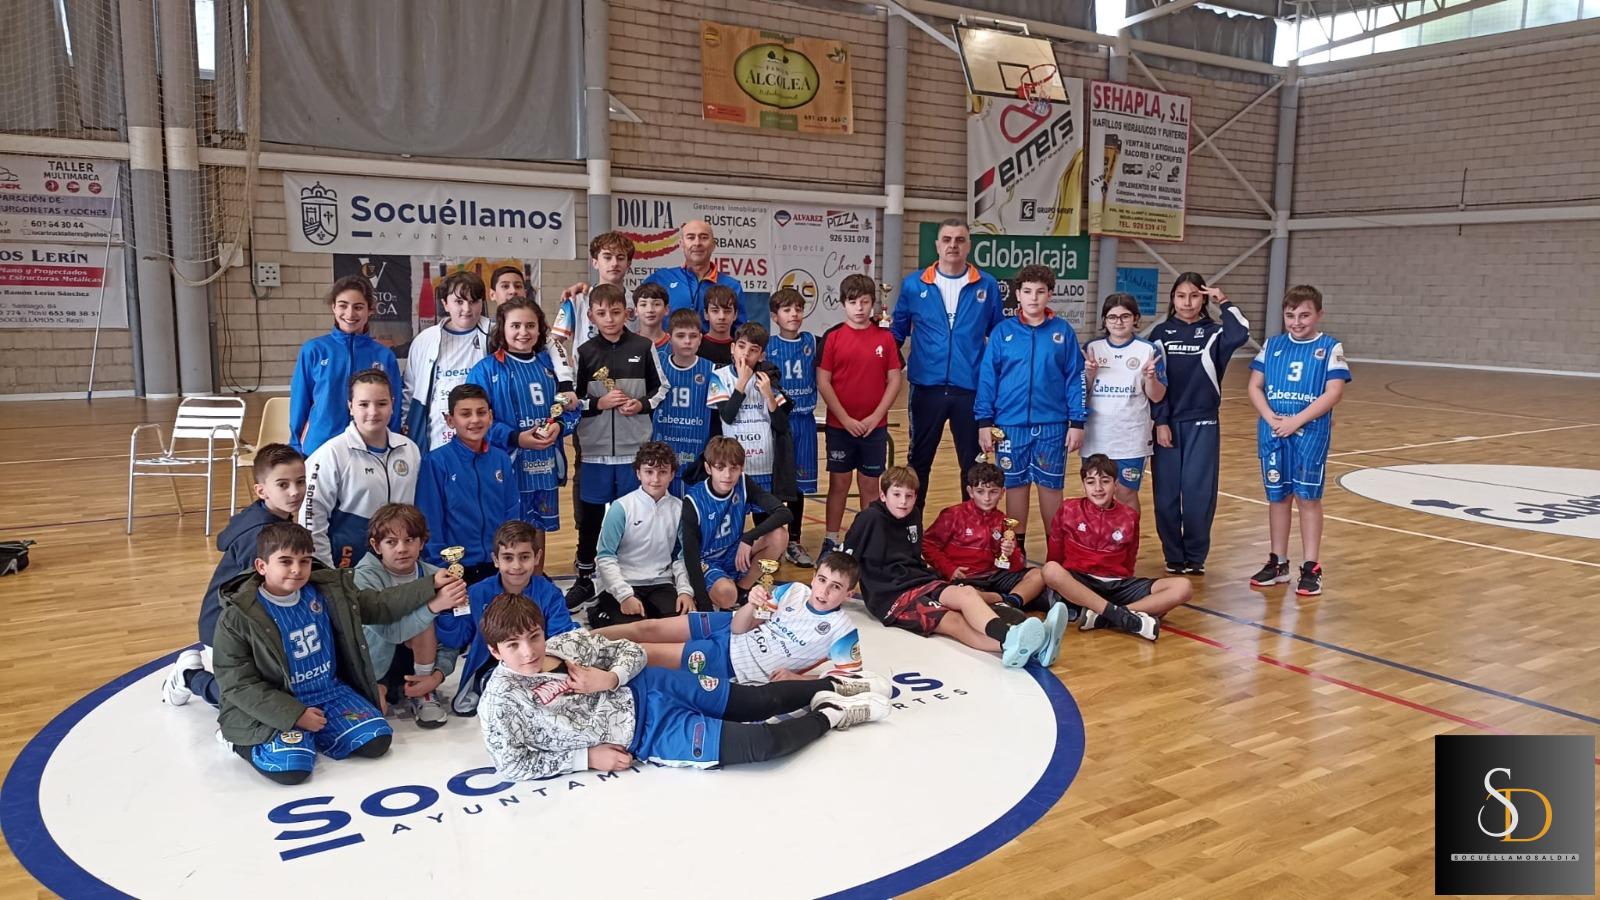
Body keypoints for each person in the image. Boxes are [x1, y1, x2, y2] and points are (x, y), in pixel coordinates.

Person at [476, 594, 889, 779]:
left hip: (655, 684)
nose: (528, 651)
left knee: (758, 699)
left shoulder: (564, 644)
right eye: (513, 645)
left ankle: (835, 684)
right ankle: (832, 714)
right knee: (762, 745)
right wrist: (585, 757)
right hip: (650, 733)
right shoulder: (498, 705)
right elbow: (511, 763)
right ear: (495, 651)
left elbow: (629, 650)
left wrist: (610, 677)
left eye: (533, 637)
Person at [210, 522, 466, 785]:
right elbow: (238, 684)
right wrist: (294, 714)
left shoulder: (327, 591)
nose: (297, 570)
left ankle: (314, 732)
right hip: (282, 701)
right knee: (293, 770)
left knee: (377, 741)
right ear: (262, 566)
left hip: (328, 692)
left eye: (305, 561)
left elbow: (380, 604)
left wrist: (429, 584)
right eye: (285, 561)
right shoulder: (237, 616)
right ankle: (238, 742)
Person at [842, 466, 1067, 668]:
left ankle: (1027, 639)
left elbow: (914, 556)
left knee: (967, 594)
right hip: (892, 597)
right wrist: (834, 589)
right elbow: (845, 557)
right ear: (883, 495)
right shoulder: (869, 518)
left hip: (920, 580)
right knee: (955, 622)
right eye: (897, 495)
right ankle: (1018, 640)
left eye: (909, 496)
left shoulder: (913, 515)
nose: (903, 501)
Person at [161, 444, 305, 710]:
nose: (295, 491)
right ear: (261, 491)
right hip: (223, 627)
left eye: (300, 481)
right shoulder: (259, 536)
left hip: (245, 623)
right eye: (283, 485)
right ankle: (190, 677)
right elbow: (252, 597)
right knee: (248, 705)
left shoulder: (278, 519)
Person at [594, 551, 868, 685]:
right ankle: (579, 640)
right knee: (648, 627)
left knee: (645, 653)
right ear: (813, 577)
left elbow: (850, 680)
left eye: (836, 587)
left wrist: (797, 679)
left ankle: (581, 662)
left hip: (733, 661)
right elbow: (739, 626)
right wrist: (751, 603)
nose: (825, 591)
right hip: (732, 627)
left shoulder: (842, 631)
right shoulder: (794, 591)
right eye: (822, 580)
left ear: (849, 594)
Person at [566, 284, 669, 610]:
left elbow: (662, 388)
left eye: (615, 311)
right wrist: (598, 402)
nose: (609, 318)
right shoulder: (583, 352)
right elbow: (570, 400)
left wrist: (641, 404)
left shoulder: (643, 345)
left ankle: (632, 577)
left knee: (632, 519)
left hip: (633, 452)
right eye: (601, 313)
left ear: (627, 313)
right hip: (595, 452)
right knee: (591, 519)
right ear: (592, 316)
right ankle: (585, 578)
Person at [890, 219, 1003, 509]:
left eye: (960, 239)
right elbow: (896, 332)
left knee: (973, 466)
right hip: (927, 389)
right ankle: (909, 531)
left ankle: (973, 534)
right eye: (947, 239)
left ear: (969, 245)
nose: (953, 245)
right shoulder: (914, 285)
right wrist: (883, 367)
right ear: (937, 245)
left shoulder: (987, 285)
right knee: (918, 463)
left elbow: (1001, 336)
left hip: (970, 391)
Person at [1245, 285, 1350, 596]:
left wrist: (1296, 421)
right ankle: (1278, 562)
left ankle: (1311, 566)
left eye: (1304, 315)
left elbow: (1334, 392)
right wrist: (1270, 417)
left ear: (1319, 315)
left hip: (1309, 433)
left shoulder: (1329, 347)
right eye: (1290, 315)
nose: (1297, 322)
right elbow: (1254, 386)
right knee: (1277, 497)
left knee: (1307, 498)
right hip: (1274, 432)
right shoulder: (1273, 345)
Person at [975, 264, 1087, 549]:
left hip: (1052, 425)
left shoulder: (1063, 332)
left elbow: (1074, 379)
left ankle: (1056, 553)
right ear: (1018, 294)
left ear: (1050, 294)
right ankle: (1015, 553)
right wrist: (984, 422)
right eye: (1027, 291)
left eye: (1040, 292)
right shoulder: (1003, 333)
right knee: (1014, 487)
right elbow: (988, 378)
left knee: (1051, 488)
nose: (1033, 298)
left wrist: (1077, 422)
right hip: (1009, 426)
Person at [1148, 273, 1251, 575]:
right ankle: (1173, 556)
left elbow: (1241, 333)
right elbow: (1153, 382)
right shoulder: (1160, 333)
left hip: (1203, 422)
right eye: (1181, 296)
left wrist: (1224, 300)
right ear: (1173, 299)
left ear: (1203, 299)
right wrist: (1161, 421)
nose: (1187, 302)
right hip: (1167, 425)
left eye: (1194, 295)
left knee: (1198, 492)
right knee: (1166, 495)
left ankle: (1194, 556)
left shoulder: (1215, 333)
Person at [1039, 455, 1192, 642]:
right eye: (1091, 482)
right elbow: (1055, 552)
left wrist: (1125, 584)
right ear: (1083, 486)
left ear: (1116, 484)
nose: (1098, 488)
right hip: (1080, 581)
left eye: (1105, 481)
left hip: (1117, 584)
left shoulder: (1129, 516)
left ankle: (1108, 616)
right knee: (1051, 570)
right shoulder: (1069, 508)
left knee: (1183, 587)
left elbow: (1130, 559)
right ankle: (1123, 616)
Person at [437, 520, 576, 715]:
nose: (516, 566)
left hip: (535, 661)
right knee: (503, 691)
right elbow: (457, 638)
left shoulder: (549, 593)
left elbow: (562, 638)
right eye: (508, 558)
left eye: (524, 557)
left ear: (537, 557)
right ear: (495, 560)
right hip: (492, 665)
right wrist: (446, 609)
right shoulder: (477, 593)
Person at [467, 295, 579, 533]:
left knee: (539, 530)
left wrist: (559, 426)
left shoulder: (553, 366)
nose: (523, 332)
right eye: (515, 326)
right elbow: (474, 422)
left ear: (540, 329)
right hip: (505, 465)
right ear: (503, 328)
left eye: (530, 325)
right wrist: (515, 438)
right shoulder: (485, 370)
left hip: (545, 466)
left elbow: (572, 408)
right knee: (508, 531)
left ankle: (537, 572)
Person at [816, 274, 903, 560]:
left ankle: (866, 541)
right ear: (843, 303)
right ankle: (831, 540)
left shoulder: (886, 338)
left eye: (865, 301)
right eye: (853, 302)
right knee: (839, 485)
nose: (859, 308)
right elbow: (824, 382)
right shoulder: (833, 337)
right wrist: (846, 419)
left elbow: (894, 381)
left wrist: (876, 416)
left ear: (872, 303)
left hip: (873, 427)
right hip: (840, 427)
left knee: (869, 485)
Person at [300, 370, 421, 569]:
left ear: (392, 404)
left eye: (381, 403)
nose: (373, 412)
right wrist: (326, 572)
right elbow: (312, 520)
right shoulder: (331, 454)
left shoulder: (409, 449)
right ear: (350, 407)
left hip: (400, 561)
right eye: (364, 404)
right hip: (349, 563)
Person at [351, 503, 456, 727]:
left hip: (421, 661)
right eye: (391, 542)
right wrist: (433, 606)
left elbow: (454, 634)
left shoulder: (437, 575)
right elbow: (389, 632)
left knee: (426, 621)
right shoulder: (363, 578)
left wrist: (436, 676)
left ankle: (423, 692)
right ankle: (378, 686)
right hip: (377, 665)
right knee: (373, 719)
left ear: (422, 542)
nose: (401, 548)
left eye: (409, 540)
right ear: (376, 546)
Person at [414, 384, 520, 585]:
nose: (474, 420)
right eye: (465, 414)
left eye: (481, 413)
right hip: (456, 569)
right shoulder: (436, 462)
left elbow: (511, 511)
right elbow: (430, 520)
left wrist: (510, 556)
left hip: (498, 565)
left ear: (490, 416)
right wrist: (441, 565)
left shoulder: (501, 459)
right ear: (450, 420)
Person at [289, 275, 403, 456]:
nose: (350, 314)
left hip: (369, 448)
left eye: (358, 307)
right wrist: (296, 445)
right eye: (343, 305)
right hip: (320, 447)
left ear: (370, 310)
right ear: (333, 307)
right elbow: (300, 402)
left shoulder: (384, 356)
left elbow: (394, 407)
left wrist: (393, 444)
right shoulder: (314, 350)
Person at [590, 442, 696, 628]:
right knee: (636, 629)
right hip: (624, 582)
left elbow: (681, 557)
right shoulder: (621, 507)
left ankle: (651, 611)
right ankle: (598, 610)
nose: (655, 479)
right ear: (638, 473)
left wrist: (685, 591)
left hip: (660, 582)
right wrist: (624, 596)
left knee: (680, 624)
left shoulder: (679, 508)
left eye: (662, 472)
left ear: (672, 474)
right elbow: (605, 557)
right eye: (649, 472)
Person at [924, 461, 1048, 614]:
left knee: (1037, 575)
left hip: (994, 576)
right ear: (970, 491)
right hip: (964, 579)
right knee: (964, 594)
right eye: (980, 492)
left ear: (1002, 492)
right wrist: (949, 569)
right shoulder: (953, 515)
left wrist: (1011, 554)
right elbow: (927, 544)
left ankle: (1008, 603)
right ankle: (1005, 601)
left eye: (993, 492)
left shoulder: (1003, 522)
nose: (987, 498)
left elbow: (1017, 567)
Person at [683, 437, 791, 611]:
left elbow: (784, 513)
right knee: (726, 595)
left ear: (741, 468)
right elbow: (690, 556)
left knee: (780, 535)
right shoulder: (694, 500)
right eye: (720, 468)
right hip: (708, 561)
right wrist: (704, 604)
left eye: (734, 468)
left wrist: (748, 538)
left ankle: (743, 590)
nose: (727, 475)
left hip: (734, 551)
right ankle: (725, 592)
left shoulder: (743, 482)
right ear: (708, 468)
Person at [1082, 293, 1167, 508]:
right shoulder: (1091, 348)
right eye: (1112, 317)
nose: (1118, 322)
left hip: (1131, 438)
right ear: (1104, 320)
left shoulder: (1148, 350)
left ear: (1136, 319)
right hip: (1096, 436)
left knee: (1126, 493)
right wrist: (1089, 375)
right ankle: (1099, 541)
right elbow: (1081, 394)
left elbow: (1157, 396)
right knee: (1098, 492)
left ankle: (1127, 542)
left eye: (1125, 316)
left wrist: (1150, 377)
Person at [402, 270, 492, 452]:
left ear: (482, 303)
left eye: (473, 301)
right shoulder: (424, 340)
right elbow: (410, 391)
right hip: (436, 440)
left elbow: (545, 342)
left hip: (485, 438)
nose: (467, 309)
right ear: (445, 304)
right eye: (459, 301)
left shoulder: (496, 335)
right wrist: (407, 427)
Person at [765, 287, 820, 567]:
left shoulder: (813, 341)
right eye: (787, 310)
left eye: (798, 308)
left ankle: (795, 540)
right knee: (773, 481)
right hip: (777, 422)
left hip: (805, 421)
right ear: (775, 316)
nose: (794, 314)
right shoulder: (768, 345)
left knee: (799, 485)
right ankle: (772, 537)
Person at [709, 323, 794, 502]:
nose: (745, 354)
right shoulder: (720, 376)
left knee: (766, 522)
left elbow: (782, 425)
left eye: (753, 350)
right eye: (741, 346)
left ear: (761, 356)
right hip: (732, 467)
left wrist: (770, 396)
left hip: (764, 465)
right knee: (734, 522)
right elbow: (727, 416)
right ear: (732, 348)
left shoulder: (767, 379)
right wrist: (742, 382)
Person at [652, 308, 716, 496]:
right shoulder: (658, 367)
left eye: (693, 336)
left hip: (696, 458)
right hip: (662, 456)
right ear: (669, 337)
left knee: (692, 517)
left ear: (701, 338)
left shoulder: (712, 370)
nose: (687, 341)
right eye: (680, 336)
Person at [641, 219, 746, 328]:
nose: (697, 243)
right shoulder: (661, 279)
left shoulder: (732, 286)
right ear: (681, 244)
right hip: (667, 345)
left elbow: (739, 333)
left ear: (713, 245)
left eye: (704, 237)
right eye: (691, 237)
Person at [553, 232, 635, 355]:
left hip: (628, 372)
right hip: (585, 373)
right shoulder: (576, 300)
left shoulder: (638, 303)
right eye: (607, 257)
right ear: (595, 262)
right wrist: (564, 369)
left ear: (628, 264)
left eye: (620, 258)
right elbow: (554, 342)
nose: (614, 263)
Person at [697, 284, 739, 368]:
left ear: (735, 315)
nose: (721, 317)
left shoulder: (741, 349)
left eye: (727, 311)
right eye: (715, 311)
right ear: (706, 314)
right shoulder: (695, 346)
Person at [633, 282, 671, 349]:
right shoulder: (627, 345)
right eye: (643, 305)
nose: (650, 310)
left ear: (666, 309)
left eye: (656, 304)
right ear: (636, 311)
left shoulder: (675, 345)